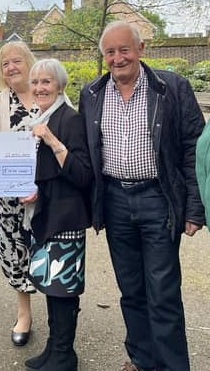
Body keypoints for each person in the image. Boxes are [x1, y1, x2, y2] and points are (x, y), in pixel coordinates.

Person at [79, 21, 205, 371]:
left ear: (141, 49)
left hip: (158, 199)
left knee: (163, 292)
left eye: (124, 50)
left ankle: (172, 366)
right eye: (110, 52)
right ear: (103, 55)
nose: (118, 58)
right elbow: (85, 154)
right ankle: (142, 359)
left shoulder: (172, 87)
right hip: (115, 200)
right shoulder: (91, 94)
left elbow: (195, 148)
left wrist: (194, 208)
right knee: (131, 290)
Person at [23, 59, 92, 371]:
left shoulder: (70, 118)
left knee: (64, 286)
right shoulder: (40, 116)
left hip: (66, 217)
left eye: (46, 82)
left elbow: (82, 174)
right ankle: (54, 348)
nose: (39, 88)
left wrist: (51, 140)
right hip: (47, 214)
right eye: (35, 82)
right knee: (51, 284)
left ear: (60, 85)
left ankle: (65, 355)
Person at [0, 41, 39, 346]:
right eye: (5, 64)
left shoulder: (50, 92)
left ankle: (61, 315)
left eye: (16, 61)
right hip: (10, 196)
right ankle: (24, 313)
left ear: (29, 62)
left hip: (47, 192)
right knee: (15, 253)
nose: (11, 68)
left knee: (51, 252)